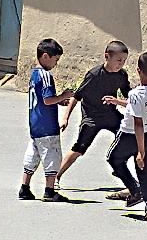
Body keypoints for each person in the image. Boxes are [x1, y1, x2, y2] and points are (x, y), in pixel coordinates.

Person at [55, 40, 132, 187]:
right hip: (91, 118)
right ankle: (56, 177)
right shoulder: (94, 75)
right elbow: (76, 97)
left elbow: (128, 95)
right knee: (79, 149)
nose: (121, 64)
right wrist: (65, 118)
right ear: (107, 57)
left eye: (124, 61)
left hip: (111, 115)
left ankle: (119, 164)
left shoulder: (121, 75)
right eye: (118, 60)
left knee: (130, 135)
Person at [104, 51, 147, 222]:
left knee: (114, 159)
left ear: (138, 70)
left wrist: (140, 151)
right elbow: (139, 106)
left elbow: (138, 122)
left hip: (130, 135)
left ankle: (134, 189)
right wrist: (118, 101)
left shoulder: (136, 93)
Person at [18, 38, 74, 202]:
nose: (55, 64)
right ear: (45, 56)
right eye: (55, 60)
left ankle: (25, 187)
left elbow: (44, 99)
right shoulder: (46, 76)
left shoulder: (34, 74)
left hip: (35, 123)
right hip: (47, 125)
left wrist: (59, 101)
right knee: (52, 155)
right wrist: (64, 96)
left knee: (33, 154)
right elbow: (48, 99)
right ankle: (49, 190)